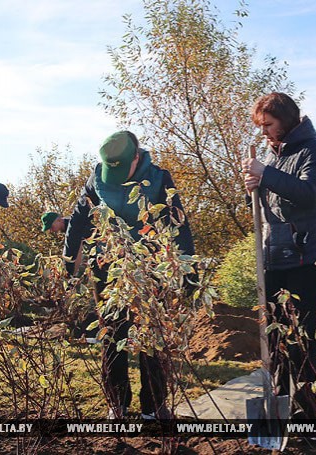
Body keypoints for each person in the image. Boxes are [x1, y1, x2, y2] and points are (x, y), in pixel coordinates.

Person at [63, 131, 195, 420]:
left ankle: (154, 406)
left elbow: (178, 223)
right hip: (108, 267)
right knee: (113, 335)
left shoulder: (160, 178)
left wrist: (188, 267)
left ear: (136, 156)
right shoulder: (95, 180)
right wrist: (68, 262)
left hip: (150, 266)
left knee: (152, 335)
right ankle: (117, 405)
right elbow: (77, 222)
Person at [242, 92, 316, 419]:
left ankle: (308, 414)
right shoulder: (273, 155)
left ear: (286, 119)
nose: (265, 132)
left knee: (305, 337)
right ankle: (282, 402)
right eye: (262, 126)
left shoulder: (313, 149)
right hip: (276, 254)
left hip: (307, 255)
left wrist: (265, 175)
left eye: (269, 125)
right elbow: (271, 206)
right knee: (278, 331)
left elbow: (312, 193)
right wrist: (254, 188)